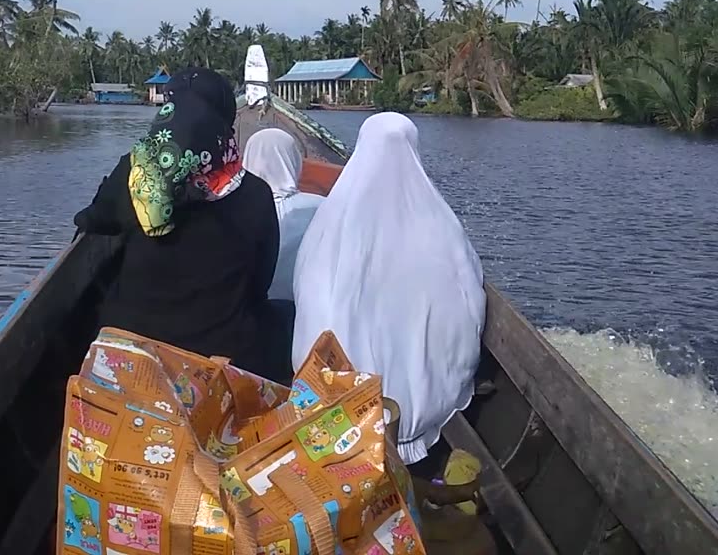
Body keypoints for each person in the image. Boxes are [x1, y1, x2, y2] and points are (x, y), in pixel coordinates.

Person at [291, 112, 485, 465]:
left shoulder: (330, 223)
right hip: (423, 416)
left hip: (336, 411)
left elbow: (305, 299)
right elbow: (472, 307)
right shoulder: (442, 226)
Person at [73, 67, 282, 380]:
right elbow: (259, 284)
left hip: (131, 349)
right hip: (217, 358)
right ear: (227, 121)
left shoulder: (133, 176)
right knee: (282, 316)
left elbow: (96, 218)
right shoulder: (255, 193)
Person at [241, 128, 325, 302]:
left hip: (249, 309)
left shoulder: (232, 210)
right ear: (294, 160)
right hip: (303, 306)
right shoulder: (321, 207)